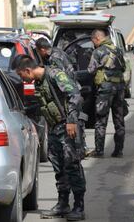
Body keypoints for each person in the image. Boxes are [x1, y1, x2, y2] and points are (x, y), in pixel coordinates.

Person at [13, 55, 86, 221]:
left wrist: (72, 121)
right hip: (54, 128)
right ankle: (63, 203)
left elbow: (75, 95)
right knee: (59, 166)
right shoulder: (36, 82)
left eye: (21, 74)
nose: (21, 78)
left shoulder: (55, 75)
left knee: (72, 166)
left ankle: (79, 206)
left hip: (68, 127)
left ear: (27, 70)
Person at [35, 38, 89, 158]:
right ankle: (80, 150)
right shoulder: (58, 51)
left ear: (43, 49)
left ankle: (77, 152)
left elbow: (60, 77)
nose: (39, 55)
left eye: (39, 51)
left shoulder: (54, 58)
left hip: (68, 92)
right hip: (72, 90)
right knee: (78, 122)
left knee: (73, 123)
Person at [87, 29, 126, 158]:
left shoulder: (98, 51)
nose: (93, 43)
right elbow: (124, 67)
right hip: (119, 89)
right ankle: (118, 151)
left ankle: (99, 151)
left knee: (101, 120)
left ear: (97, 38)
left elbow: (91, 70)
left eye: (93, 41)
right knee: (119, 120)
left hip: (105, 90)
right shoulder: (117, 50)